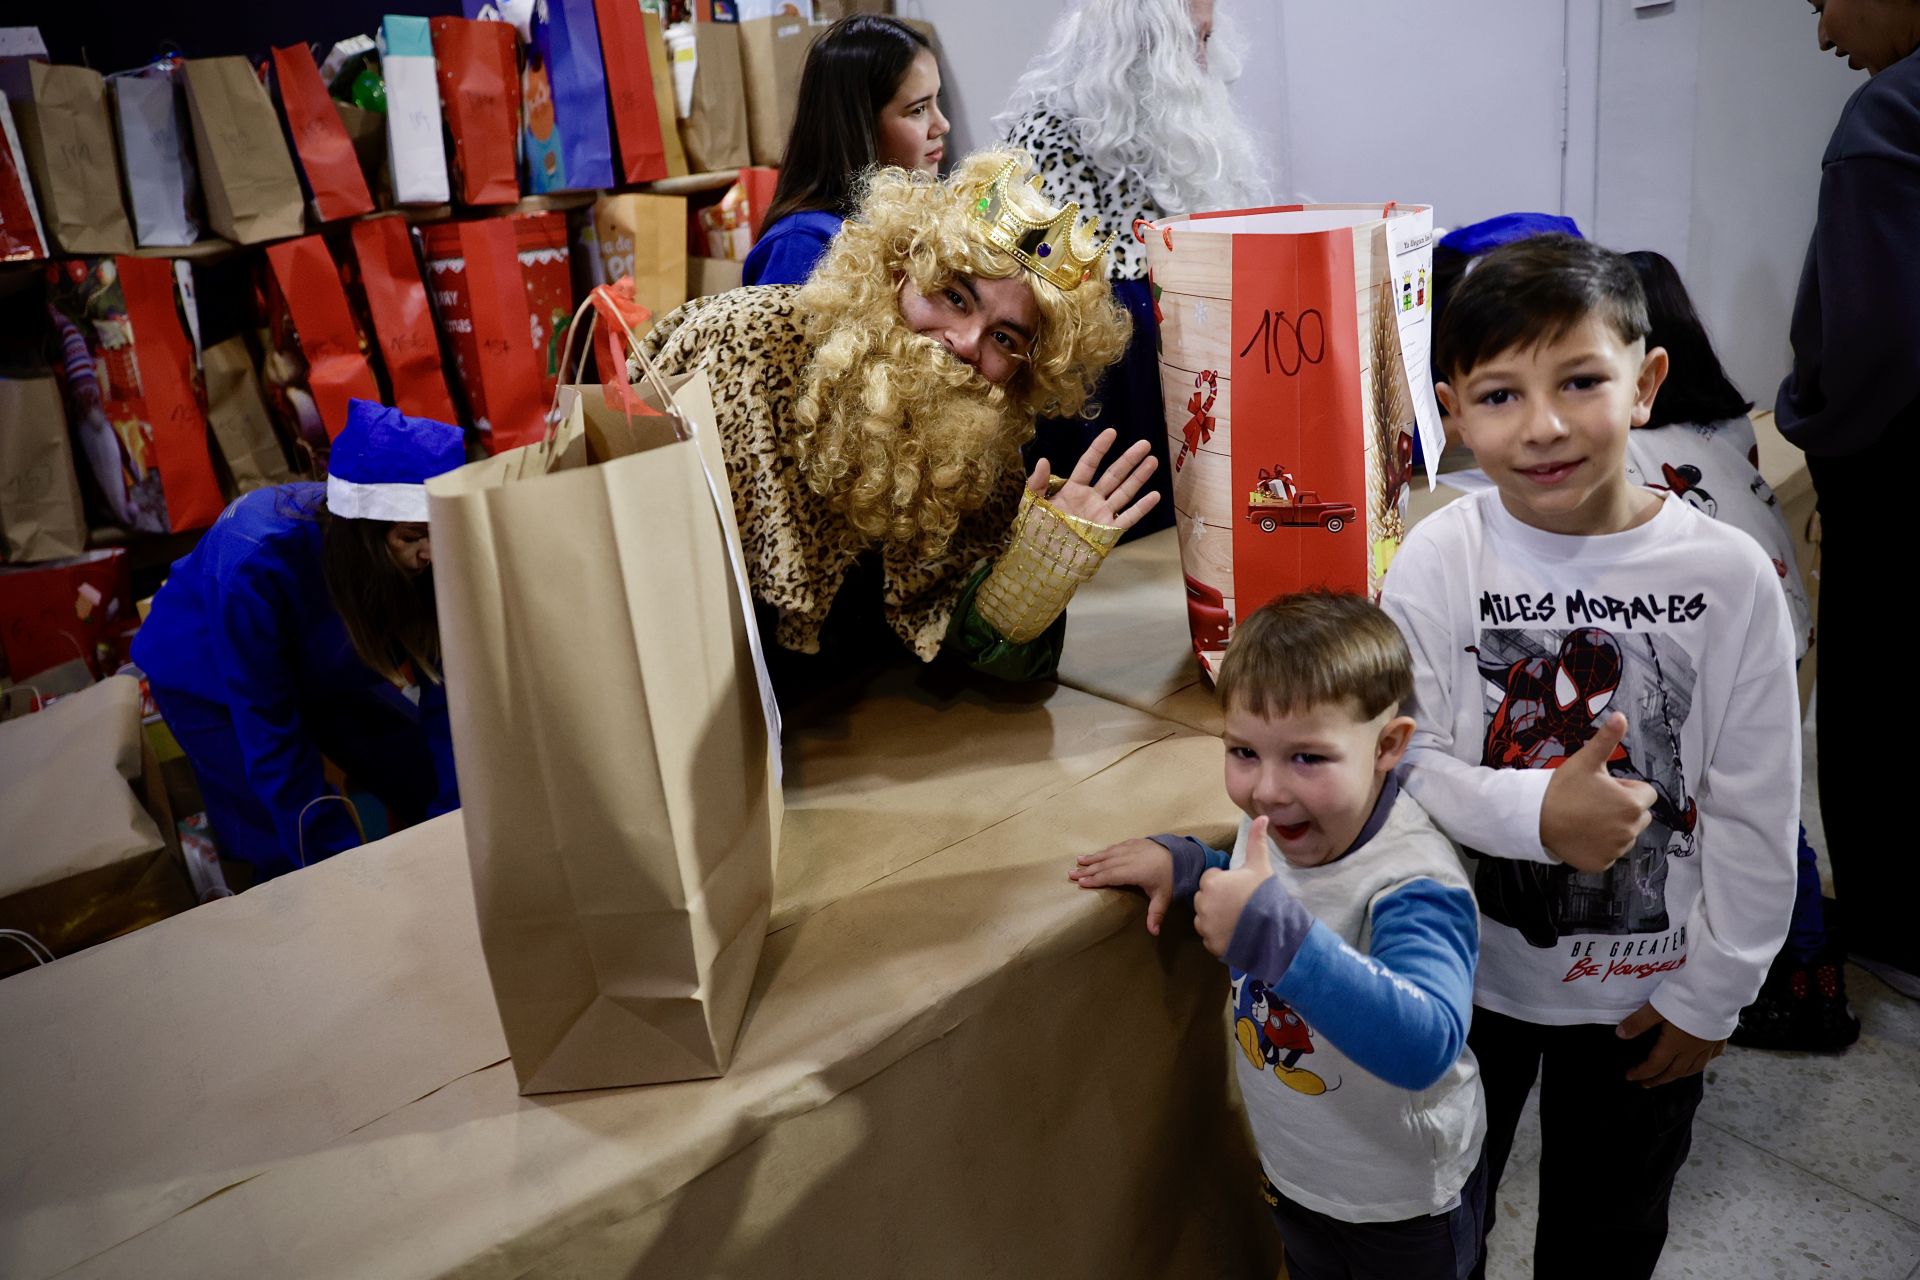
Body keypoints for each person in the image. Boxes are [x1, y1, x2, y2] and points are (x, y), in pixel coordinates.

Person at [1381, 235, 1799, 1279]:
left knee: (1608, 1234)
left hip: (1643, 996)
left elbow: (1756, 804)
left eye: (1580, 380)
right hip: (1463, 980)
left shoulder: (1725, 572)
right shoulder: (1443, 552)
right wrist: (1537, 816)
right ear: (1454, 413)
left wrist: (1717, 992)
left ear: (1646, 381)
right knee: (1439, 1220)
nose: (1545, 425)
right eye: (1500, 395)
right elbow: (1406, 761)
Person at [1069, 592, 1485, 1280]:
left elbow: (1427, 1043)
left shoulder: (1413, 882)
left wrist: (1274, 938)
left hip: (1403, 1208)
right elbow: (1250, 878)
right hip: (1299, 1173)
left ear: (1387, 746)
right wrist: (1188, 864)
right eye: (1242, 751)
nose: (1266, 789)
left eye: (1307, 758)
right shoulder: (1279, 826)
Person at [636, 147, 1152, 688]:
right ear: (900, 267)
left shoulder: (977, 439)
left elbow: (971, 643)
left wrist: (1038, 570)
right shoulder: (743, 343)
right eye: (954, 296)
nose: (966, 343)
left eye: (1003, 336)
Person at [1620, 249, 1855, 1050]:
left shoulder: (1632, 443)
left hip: (1723, 632)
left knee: (1737, 812)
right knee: (1764, 799)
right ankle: (1807, 970)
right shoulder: (1723, 419)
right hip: (1780, 615)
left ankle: (1798, 985)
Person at [131, 401, 465, 881]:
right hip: (206, 675)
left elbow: (450, 698)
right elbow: (270, 736)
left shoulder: (424, 553)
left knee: (417, 767)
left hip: (321, 657)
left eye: (438, 535)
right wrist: (343, 878)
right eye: (413, 536)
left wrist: (456, 822)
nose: (430, 553)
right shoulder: (254, 561)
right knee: (277, 839)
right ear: (364, 536)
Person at [996, 0, 1268, 538]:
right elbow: (1055, 291)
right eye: (1190, 41)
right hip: (1109, 379)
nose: (1202, 61)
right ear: (1141, 48)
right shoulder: (1047, 135)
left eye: (1207, 40)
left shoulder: (1180, 134)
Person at [1776, 0, 1920, 994]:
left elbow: (1876, 341)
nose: (1825, 35)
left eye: (1823, 0)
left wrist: (1811, 426)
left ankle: (1890, 932)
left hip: (1898, 477)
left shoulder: (1885, 123)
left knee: (1880, 695)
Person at [742, 15, 947, 288]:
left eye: (936, 101)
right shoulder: (801, 245)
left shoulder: (909, 227)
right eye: (918, 110)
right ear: (858, 125)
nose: (942, 125)